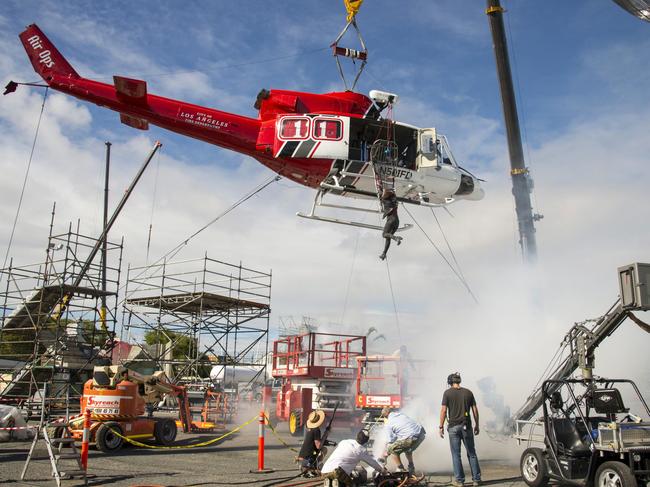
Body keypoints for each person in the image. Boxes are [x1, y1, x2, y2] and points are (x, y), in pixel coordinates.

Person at [439, 372, 481, 487]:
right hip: (466, 426)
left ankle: (460, 481)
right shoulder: (468, 392)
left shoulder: (447, 393)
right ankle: (476, 480)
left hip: (453, 428)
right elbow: (475, 410)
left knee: (456, 455)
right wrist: (477, 425)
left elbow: (443, 411)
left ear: (450, 382)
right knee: (471, 453)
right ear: (459, 381)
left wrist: (441, 426)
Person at [321, 430, 388, 486]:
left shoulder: (344, 441)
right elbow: (373, 463)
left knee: (344, 472)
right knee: (352, 484)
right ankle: (337, 482)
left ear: (357, 436)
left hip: (324, 471)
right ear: (366, 441)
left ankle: (331, 481)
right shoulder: (361, 450)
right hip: (338, 472)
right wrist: (383, 471)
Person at [380, 407, 426, 475]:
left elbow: (390, 441)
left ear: (386, 416)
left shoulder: (389, 424)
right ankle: (411, 468)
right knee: (407, 449)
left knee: (391, 449)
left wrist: (384, 455)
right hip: (421, 434)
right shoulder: (401, 414)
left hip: (410, 437)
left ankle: (401, 469)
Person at [297, 410, 326, 476]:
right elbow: (318, 446)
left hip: (302, 459)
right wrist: (326, 434)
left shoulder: (310, 429)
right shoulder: (316, 430)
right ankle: (316, 465)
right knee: (324, 449)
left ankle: (309, 466)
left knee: (316, 452)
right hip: (307, 460)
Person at [379, 188, 402, 261]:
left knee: (385, 234)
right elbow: (384, 196)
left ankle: (396, 238)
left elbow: (382, 196)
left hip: (391, 220)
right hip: (396, 222)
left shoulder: (385, 201)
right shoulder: (395, 202)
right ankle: (384, 253)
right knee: (387, 236)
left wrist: (381, 192)